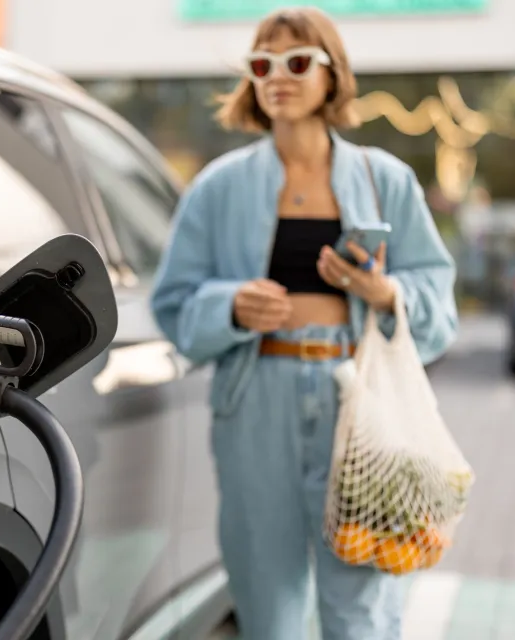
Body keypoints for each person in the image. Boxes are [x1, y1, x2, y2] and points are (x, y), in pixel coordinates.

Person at [149, 7, 458, 639]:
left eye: (297, 61)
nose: (278, 76)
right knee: (266, 601)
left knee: (363, 608)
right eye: (262, 64)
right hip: (255, 401)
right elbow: (174, 303)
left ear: (331, 73)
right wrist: (231, 306)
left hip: (359, 401)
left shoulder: (386, 179)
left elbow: (437, 298)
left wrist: (384, 291)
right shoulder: (217, 188)